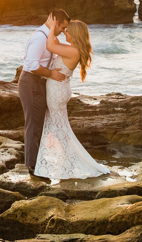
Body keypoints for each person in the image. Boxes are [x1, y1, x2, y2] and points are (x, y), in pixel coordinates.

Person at [33, 19, 110, 180]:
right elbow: (53, 42)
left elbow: (50, 46)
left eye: (67, 30)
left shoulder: (72, 51)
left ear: (74, 34)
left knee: (60, 130)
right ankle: (66, 162)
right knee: (60, 128)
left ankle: (68, 164)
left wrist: (53, 26)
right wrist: (53, 28)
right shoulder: (71, 49)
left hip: (57, 92)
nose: (64, 32)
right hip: (59, 91)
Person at [20, 9, 69, 175]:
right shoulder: (40, 38)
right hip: (31, 82)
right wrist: (51, 74)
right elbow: (32, 65)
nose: (63, 32)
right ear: (55, 21)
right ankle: (32, 166)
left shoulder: (48, 38)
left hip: (39, 82)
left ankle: (37, 162)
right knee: (33, 124)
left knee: (39, 123)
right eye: (62, 27)